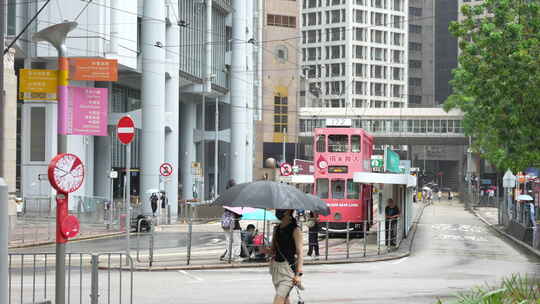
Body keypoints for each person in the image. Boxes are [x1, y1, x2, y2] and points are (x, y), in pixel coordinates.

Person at [268, 209, 304, 304]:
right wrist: (263, 249)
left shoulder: (295, 230)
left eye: (280, 208)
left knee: (278, 301)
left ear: (288, 211)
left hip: (288, 271)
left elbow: (300, 253)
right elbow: (272, 251)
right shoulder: (277, 229)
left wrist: (298, 275)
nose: (277, 211)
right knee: (285, 300)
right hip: (276, 269)